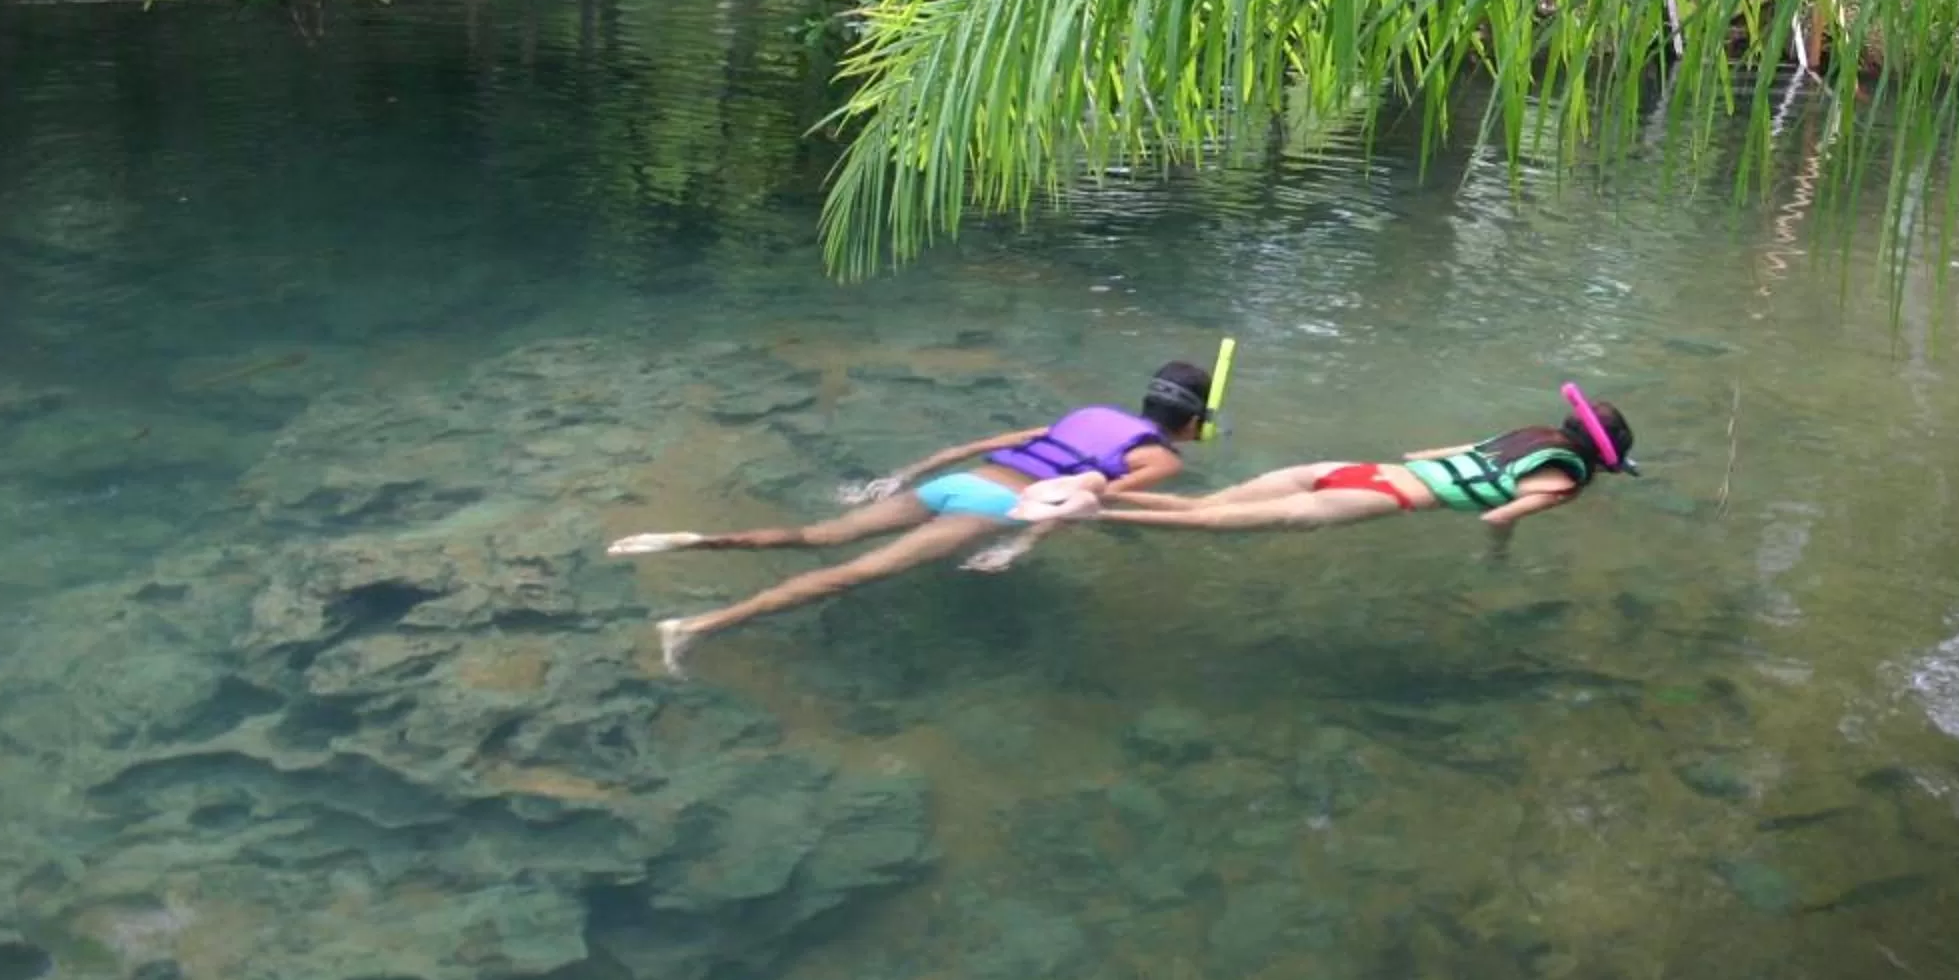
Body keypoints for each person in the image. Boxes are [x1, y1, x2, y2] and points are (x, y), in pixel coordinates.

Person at [608, 360, 1214, 672]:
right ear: (1191, 421)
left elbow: (979, 444)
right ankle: (693, 628)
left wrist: (900, 477)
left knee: (814, 537)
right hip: (996, 507)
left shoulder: (1093, 413)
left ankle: (696, 541)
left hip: (959, 482)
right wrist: (1020, 546)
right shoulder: (1162, 460)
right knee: (850, 575)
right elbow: (1090, 499)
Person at [1055, 393, 1636, 537]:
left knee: (1205, 504)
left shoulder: (1522, 436)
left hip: (1361, 470)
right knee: (1203, 525)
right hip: (1384, 499)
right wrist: (1500, 554)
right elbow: (1496, 519)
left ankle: (1098, 494)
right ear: (1602, 462)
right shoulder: (1567, 481)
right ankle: (1089, 514)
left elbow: (1424, 456)